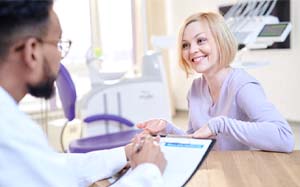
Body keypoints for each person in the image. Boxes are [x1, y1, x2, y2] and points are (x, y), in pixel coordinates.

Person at [0, 1, 166, 187]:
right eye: (58, 45)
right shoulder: (10, 131)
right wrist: (148, 171)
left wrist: (125, 153)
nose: (60, 56)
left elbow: (54, 166)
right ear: (32, 52)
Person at [137, 12, 294, 153]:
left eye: (201, 40)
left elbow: (285, 138)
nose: (192, 50)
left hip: (243, 173)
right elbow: (195, 139)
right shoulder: (196, 89)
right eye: (186, 45)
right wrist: (167, 128)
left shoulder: (243, 86)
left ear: (220, 42)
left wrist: (221, 124)